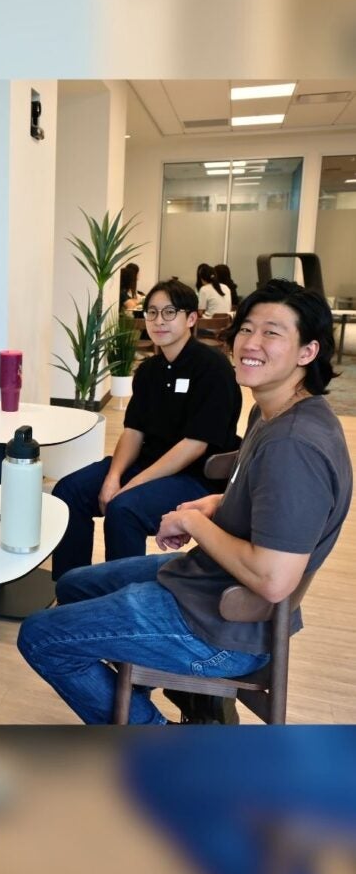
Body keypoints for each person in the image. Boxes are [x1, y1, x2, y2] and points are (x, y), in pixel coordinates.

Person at [18, 279, 352, 724]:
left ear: (307, 352)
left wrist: (194, 525)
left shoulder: (293, 446)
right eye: (247, 328)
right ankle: (157, 685)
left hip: (224, 633)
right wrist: (210, 507)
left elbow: (274, 580)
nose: (251, 343)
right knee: (74, 584)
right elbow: (251, 499)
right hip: (209, 587)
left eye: (272, 333)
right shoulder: (270, 413)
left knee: (40, 635)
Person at [51, 279, 242, 579]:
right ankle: (71, 589)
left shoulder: (212, 368)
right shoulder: (149, 371)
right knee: (69, 490)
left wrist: (131, 485)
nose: (158, 321)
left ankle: (121, 601)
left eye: (169, 312)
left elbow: (195, 444)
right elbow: (133, 432)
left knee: (123, 509)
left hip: (196, 477)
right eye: (151, 313)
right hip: (149, 465)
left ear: (191, 318)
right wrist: (114, 477)